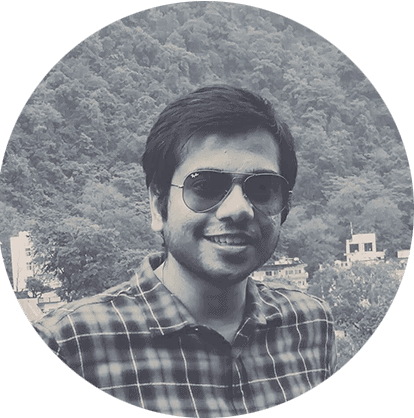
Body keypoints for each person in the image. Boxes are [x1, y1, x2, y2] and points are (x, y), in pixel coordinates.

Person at [33, 85, 337, 417]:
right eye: (205, 186)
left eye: (262, 188)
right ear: (157, 204)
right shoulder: (69, 347)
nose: (238, 209)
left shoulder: (310, 325)